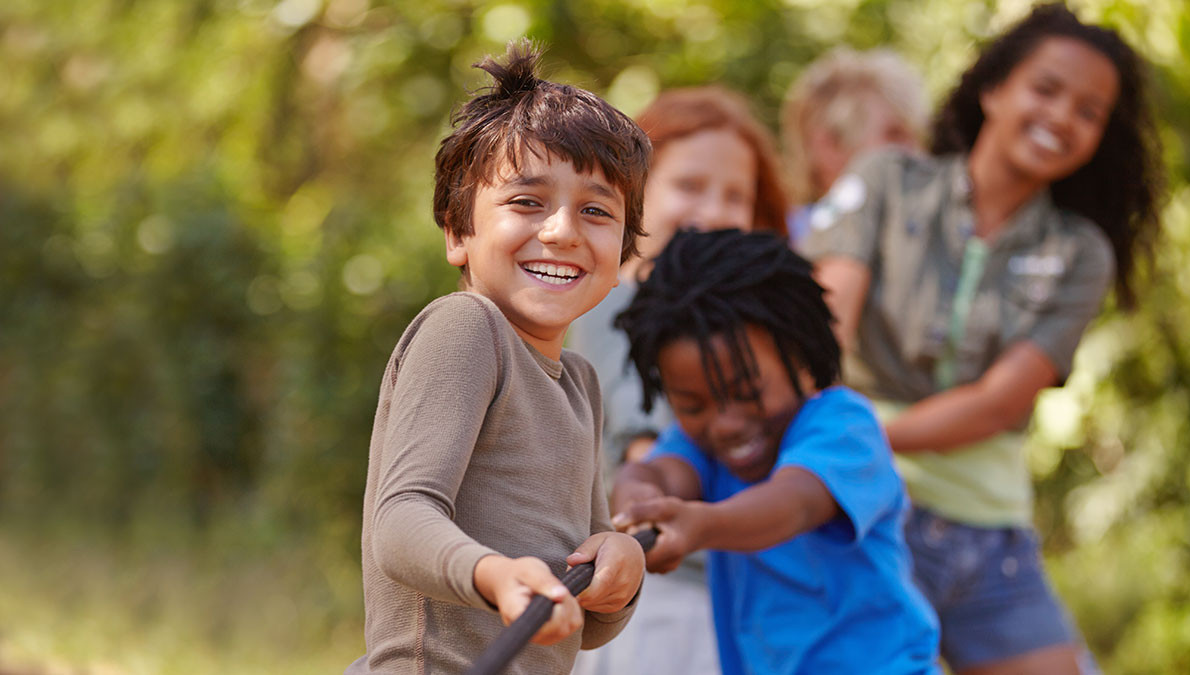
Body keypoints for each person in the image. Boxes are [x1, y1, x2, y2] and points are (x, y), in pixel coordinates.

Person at [803, 5, 1163, 674]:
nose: (1061, 117)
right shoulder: (887, 179)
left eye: (1089, 111)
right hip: (865, 512)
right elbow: (824, 323)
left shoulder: (1080, 251)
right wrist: (829, 453)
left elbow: (1000, 403)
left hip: (987, 534)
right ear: (994, 88)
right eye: (1046, 89)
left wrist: (869, 434)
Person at [347, 41, 652, 675]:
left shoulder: (581, 385)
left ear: (623, 257)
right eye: (526, 202)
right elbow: (399, 523)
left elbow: (575, 622)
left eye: (596, 211)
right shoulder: (467, 328)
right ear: (459, 233)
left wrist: (617, 572)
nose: (562, 230)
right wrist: (494, 575)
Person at [608, 228, 941, 674]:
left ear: (802, 360)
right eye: (692, 405)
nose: (725, 424)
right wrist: (635, 501)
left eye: (747, 392)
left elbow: (793, 504)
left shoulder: (843, 427)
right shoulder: (699, 447)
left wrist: (700, 525)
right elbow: (660, 475)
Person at [568, 86, 789, 675]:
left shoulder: (741, 324)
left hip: (741, 588)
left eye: (735, 196)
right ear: (636, 193)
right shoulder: (618, 301)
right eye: (689, 186)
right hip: (662, 598)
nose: (713, 212)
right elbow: (640, 441)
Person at [780, 47, 928, 246]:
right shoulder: (785, 245)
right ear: (829, 145)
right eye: (894, 135)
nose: (917, 153)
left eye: (916, 137)